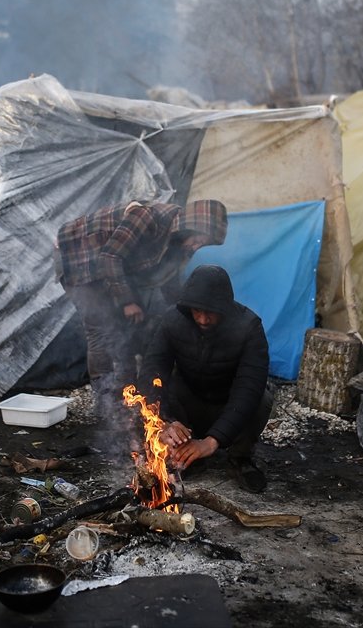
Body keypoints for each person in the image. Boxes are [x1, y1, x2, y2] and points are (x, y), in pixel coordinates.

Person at [55, 200, 228, 433]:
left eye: (202, 244)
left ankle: (128, 398)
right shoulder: (147, 216)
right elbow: (110, 257)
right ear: (191, 225)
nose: (196, 247)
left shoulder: (176, 243)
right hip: (80, 260)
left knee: (124, 332)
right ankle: (107, 402)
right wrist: (128, 302)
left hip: (109, 270)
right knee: (101, 330)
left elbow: (169, 284)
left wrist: (187, 315)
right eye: (199, 239)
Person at [140, 264, 274, 494]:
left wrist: (212, 441)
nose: (202, 319)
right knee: (166, 387)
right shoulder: (173, 321)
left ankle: (239, 458)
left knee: (262, 398)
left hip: (227, 405)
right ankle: (185, 454)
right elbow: (152, 369)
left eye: (210, 312)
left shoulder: (249, 327)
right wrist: (164, 421)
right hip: (189, 401)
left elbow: (249, 387)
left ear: (225, 308)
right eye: (196, 311)